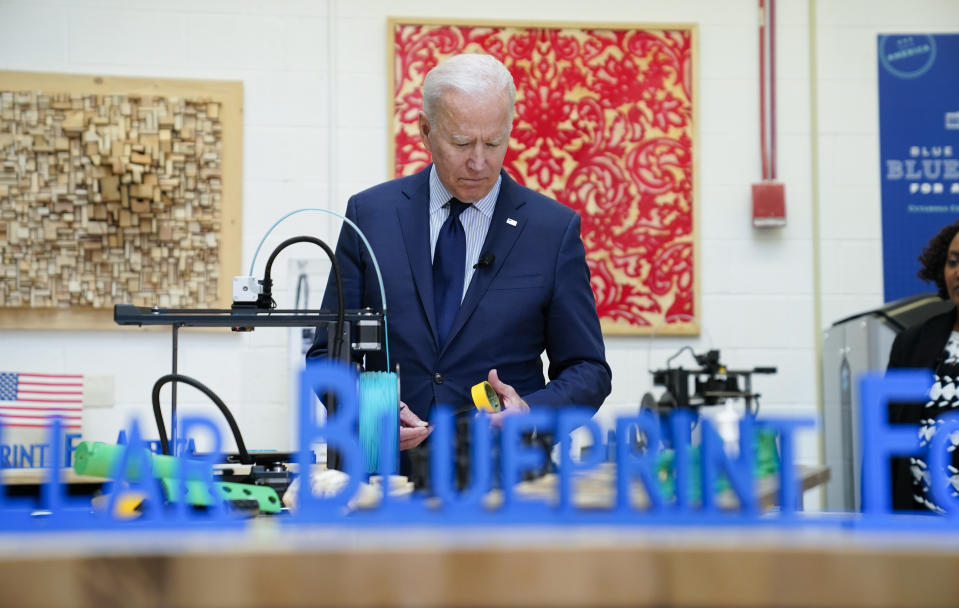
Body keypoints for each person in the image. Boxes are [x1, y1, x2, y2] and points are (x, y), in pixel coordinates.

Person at [309, 53, 611, 457]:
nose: (479, 162)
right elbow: (326, 354)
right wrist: (369, 413)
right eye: (462, 142)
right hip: (385, 472)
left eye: (494, 142)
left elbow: (588, 370)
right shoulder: (370, 216)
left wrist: (532, 413)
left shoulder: (552, 231)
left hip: (505, 475)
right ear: (425, 130)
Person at [886, 219, 959, 511]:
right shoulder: (913, 342)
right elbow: (887, 437)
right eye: (953, 262)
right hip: (919, 527)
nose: (958, 273)